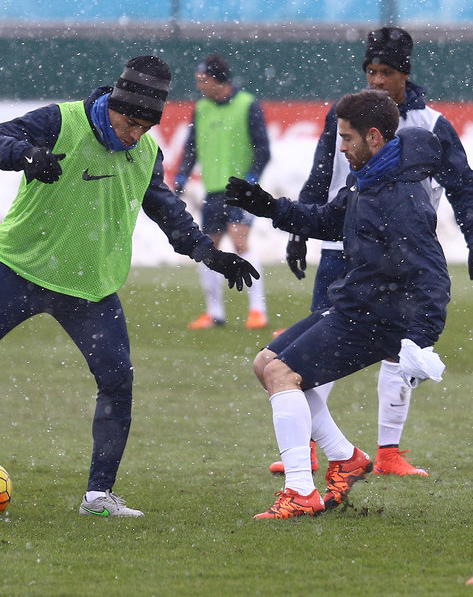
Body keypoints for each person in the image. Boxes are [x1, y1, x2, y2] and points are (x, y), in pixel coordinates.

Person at [0, 55, 259, 517]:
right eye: (130, 123)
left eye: (145, 127)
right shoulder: (60, 121)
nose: (135, 134)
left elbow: (169, 214)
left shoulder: (146, 153)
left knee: (117, 380)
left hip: (89, 289)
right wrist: (26, 155)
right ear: (113, 105)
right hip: (17, 271)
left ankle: (97, 497)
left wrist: (209, 253)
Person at [225, 89, 449, 518]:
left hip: (378, 318)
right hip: (355, 304)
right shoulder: (369, 177)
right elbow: (329, 220)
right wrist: (269, 207)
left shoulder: (400, 197)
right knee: (265, 364)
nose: (340, 147)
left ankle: (300, 492)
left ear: (374, 137)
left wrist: (420, 339)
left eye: (347, 138)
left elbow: (433, 275)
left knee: (282, 374)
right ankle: (346, 458)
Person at [274, 26, 473, 477]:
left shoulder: (433, 125)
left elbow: (463, 190)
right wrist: (299, 230)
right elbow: (321, 173)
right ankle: (307, 447)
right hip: (340, 246)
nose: (377, 80)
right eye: (371, 71)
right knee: (315, 348)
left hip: (398, 255)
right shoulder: (345, 115)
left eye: (386, 71)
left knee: (397, 351)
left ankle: (388, 452)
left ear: (405, 73)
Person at [174, 53, 271, 330]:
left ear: (219, 80)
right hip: (213, 192)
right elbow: (191, 147)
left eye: (203, 80)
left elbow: (263, 150)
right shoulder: (201, 108)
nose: (199, 85)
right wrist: (181, 175)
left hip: (239, 192)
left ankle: (257, 311)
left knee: (240, 243)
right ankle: (214, 313)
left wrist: (251, 180)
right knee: (208, 250)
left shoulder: (248, 105)